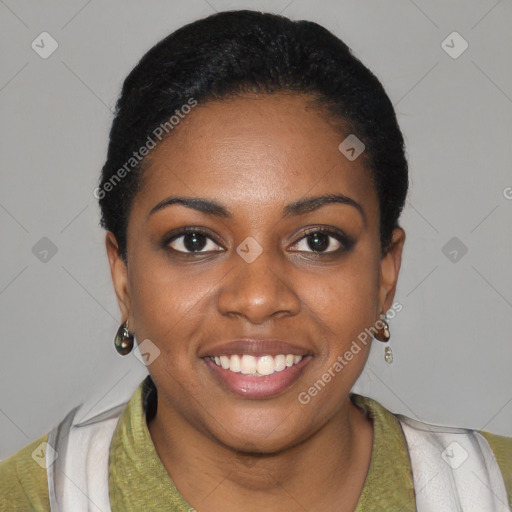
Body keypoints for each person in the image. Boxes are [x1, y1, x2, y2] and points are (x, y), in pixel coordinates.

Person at [1, 9, 510, 512]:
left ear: (385, 274)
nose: (259, 298)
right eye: (195, 242)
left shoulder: (493, 488)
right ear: (124, 278)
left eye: (317, 241)